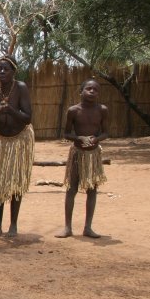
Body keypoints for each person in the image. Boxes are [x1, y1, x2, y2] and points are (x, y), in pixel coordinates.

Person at [0, 56, 34, 237]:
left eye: (6, 69)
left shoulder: (20, 88)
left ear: (13, 71)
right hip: (0, 141)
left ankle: (13, 225)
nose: (2, 72)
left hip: (18, 141)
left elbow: (27, 118)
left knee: (15, 183)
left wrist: (10, 110)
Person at [56, 79, 108, 238]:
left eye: (95, 90)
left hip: (93, 155)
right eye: (89, 88)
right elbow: (66, 133)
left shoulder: (102, 110)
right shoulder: (73, 111)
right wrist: (78, 138)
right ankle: (67, 227)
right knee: (71, 189)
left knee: (92, 190)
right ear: (81, 91)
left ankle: (88, 227)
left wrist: (96, 140)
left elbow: (106, 133)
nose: (92, 92)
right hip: (77, 154)